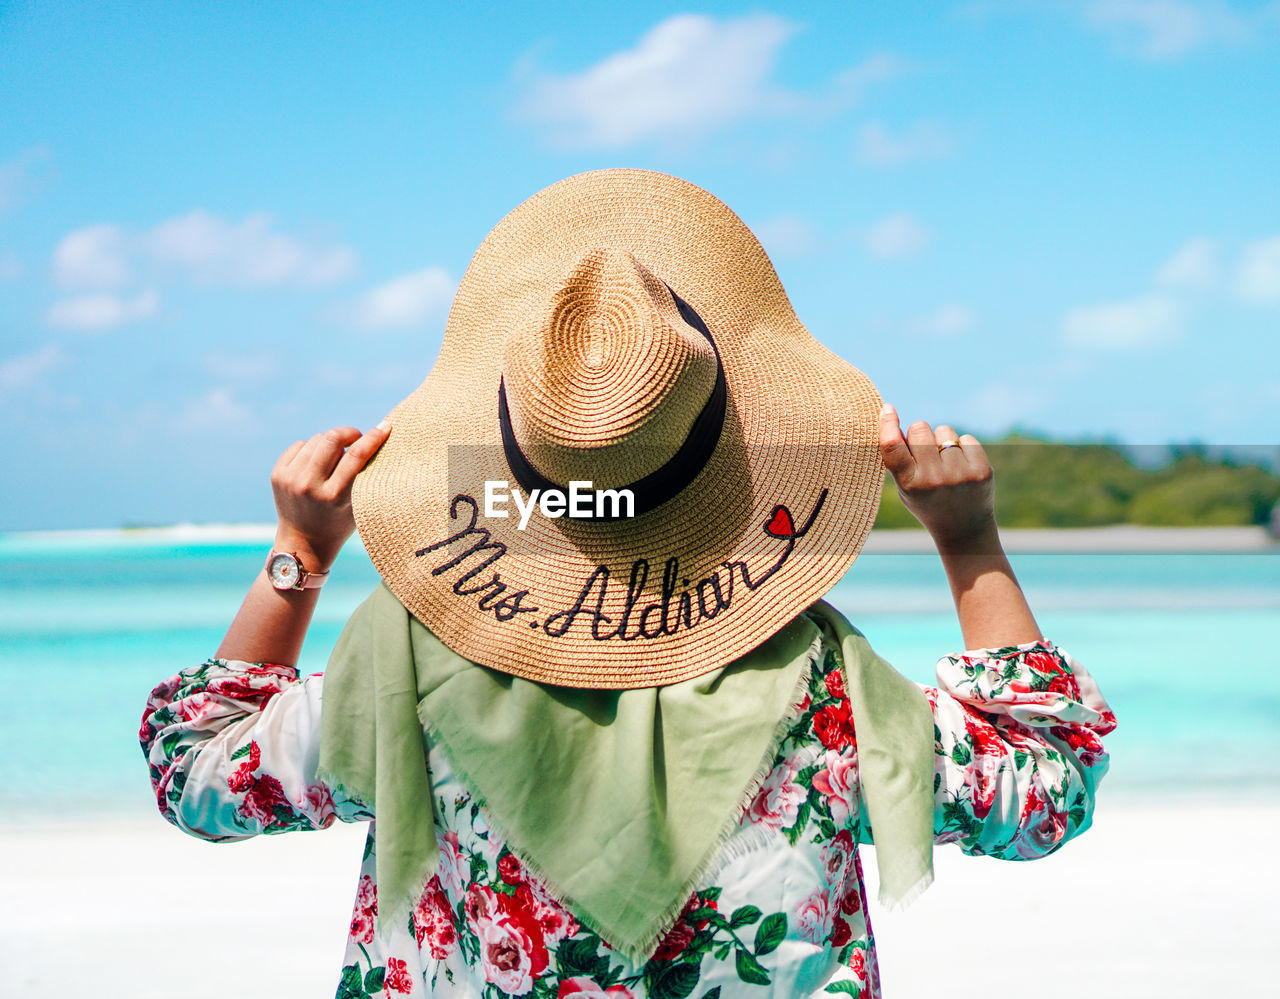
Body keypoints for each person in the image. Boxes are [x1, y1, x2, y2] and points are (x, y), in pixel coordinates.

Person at [139, 170, 1115, 999]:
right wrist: (967, 540)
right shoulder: (821, 698)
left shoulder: (409, 684)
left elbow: (198, 769)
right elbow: (1043, 783)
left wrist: (300, 551)